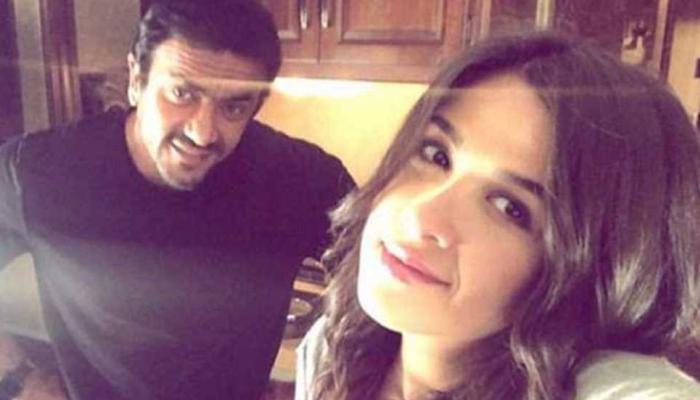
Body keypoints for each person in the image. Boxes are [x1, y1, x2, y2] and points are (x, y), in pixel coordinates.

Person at [295, 33, 700, 399]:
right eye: (436, 155)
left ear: (595, 271)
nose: (421, 215)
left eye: (511, 208)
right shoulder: (332, 349)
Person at [0, 1, 354, 399]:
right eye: (182, 93)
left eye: (234, 106)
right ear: (137, 79)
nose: (203, 133)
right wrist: (19, 379)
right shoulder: (41, 173)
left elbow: (381, 289)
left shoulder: (302, 180)